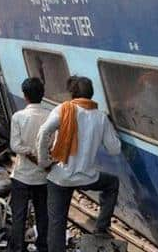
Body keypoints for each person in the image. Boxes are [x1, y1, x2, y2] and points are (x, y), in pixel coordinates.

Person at [37, 76, 121, 252]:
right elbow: (115, 150)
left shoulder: (63, 109)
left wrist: (44, 161)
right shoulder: (101, 117)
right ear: (91, 94)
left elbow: (43, 132)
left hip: (59, 177)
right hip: (87, 177)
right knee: (112, 183)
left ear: (72, 93)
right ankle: (101, 227)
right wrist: (110, 128)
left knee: (57, 224)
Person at [9, 77, 49, 252]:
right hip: (43, 176)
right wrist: (41, 159)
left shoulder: (18, 117)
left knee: (19, 215)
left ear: (24, 96)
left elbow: (15, 145)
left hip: (22, 175)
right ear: (43, 94)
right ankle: (43, 246)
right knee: (43, 214)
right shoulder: (50, 116)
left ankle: (17, 248)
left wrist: (30, 154)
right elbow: (53, 146)